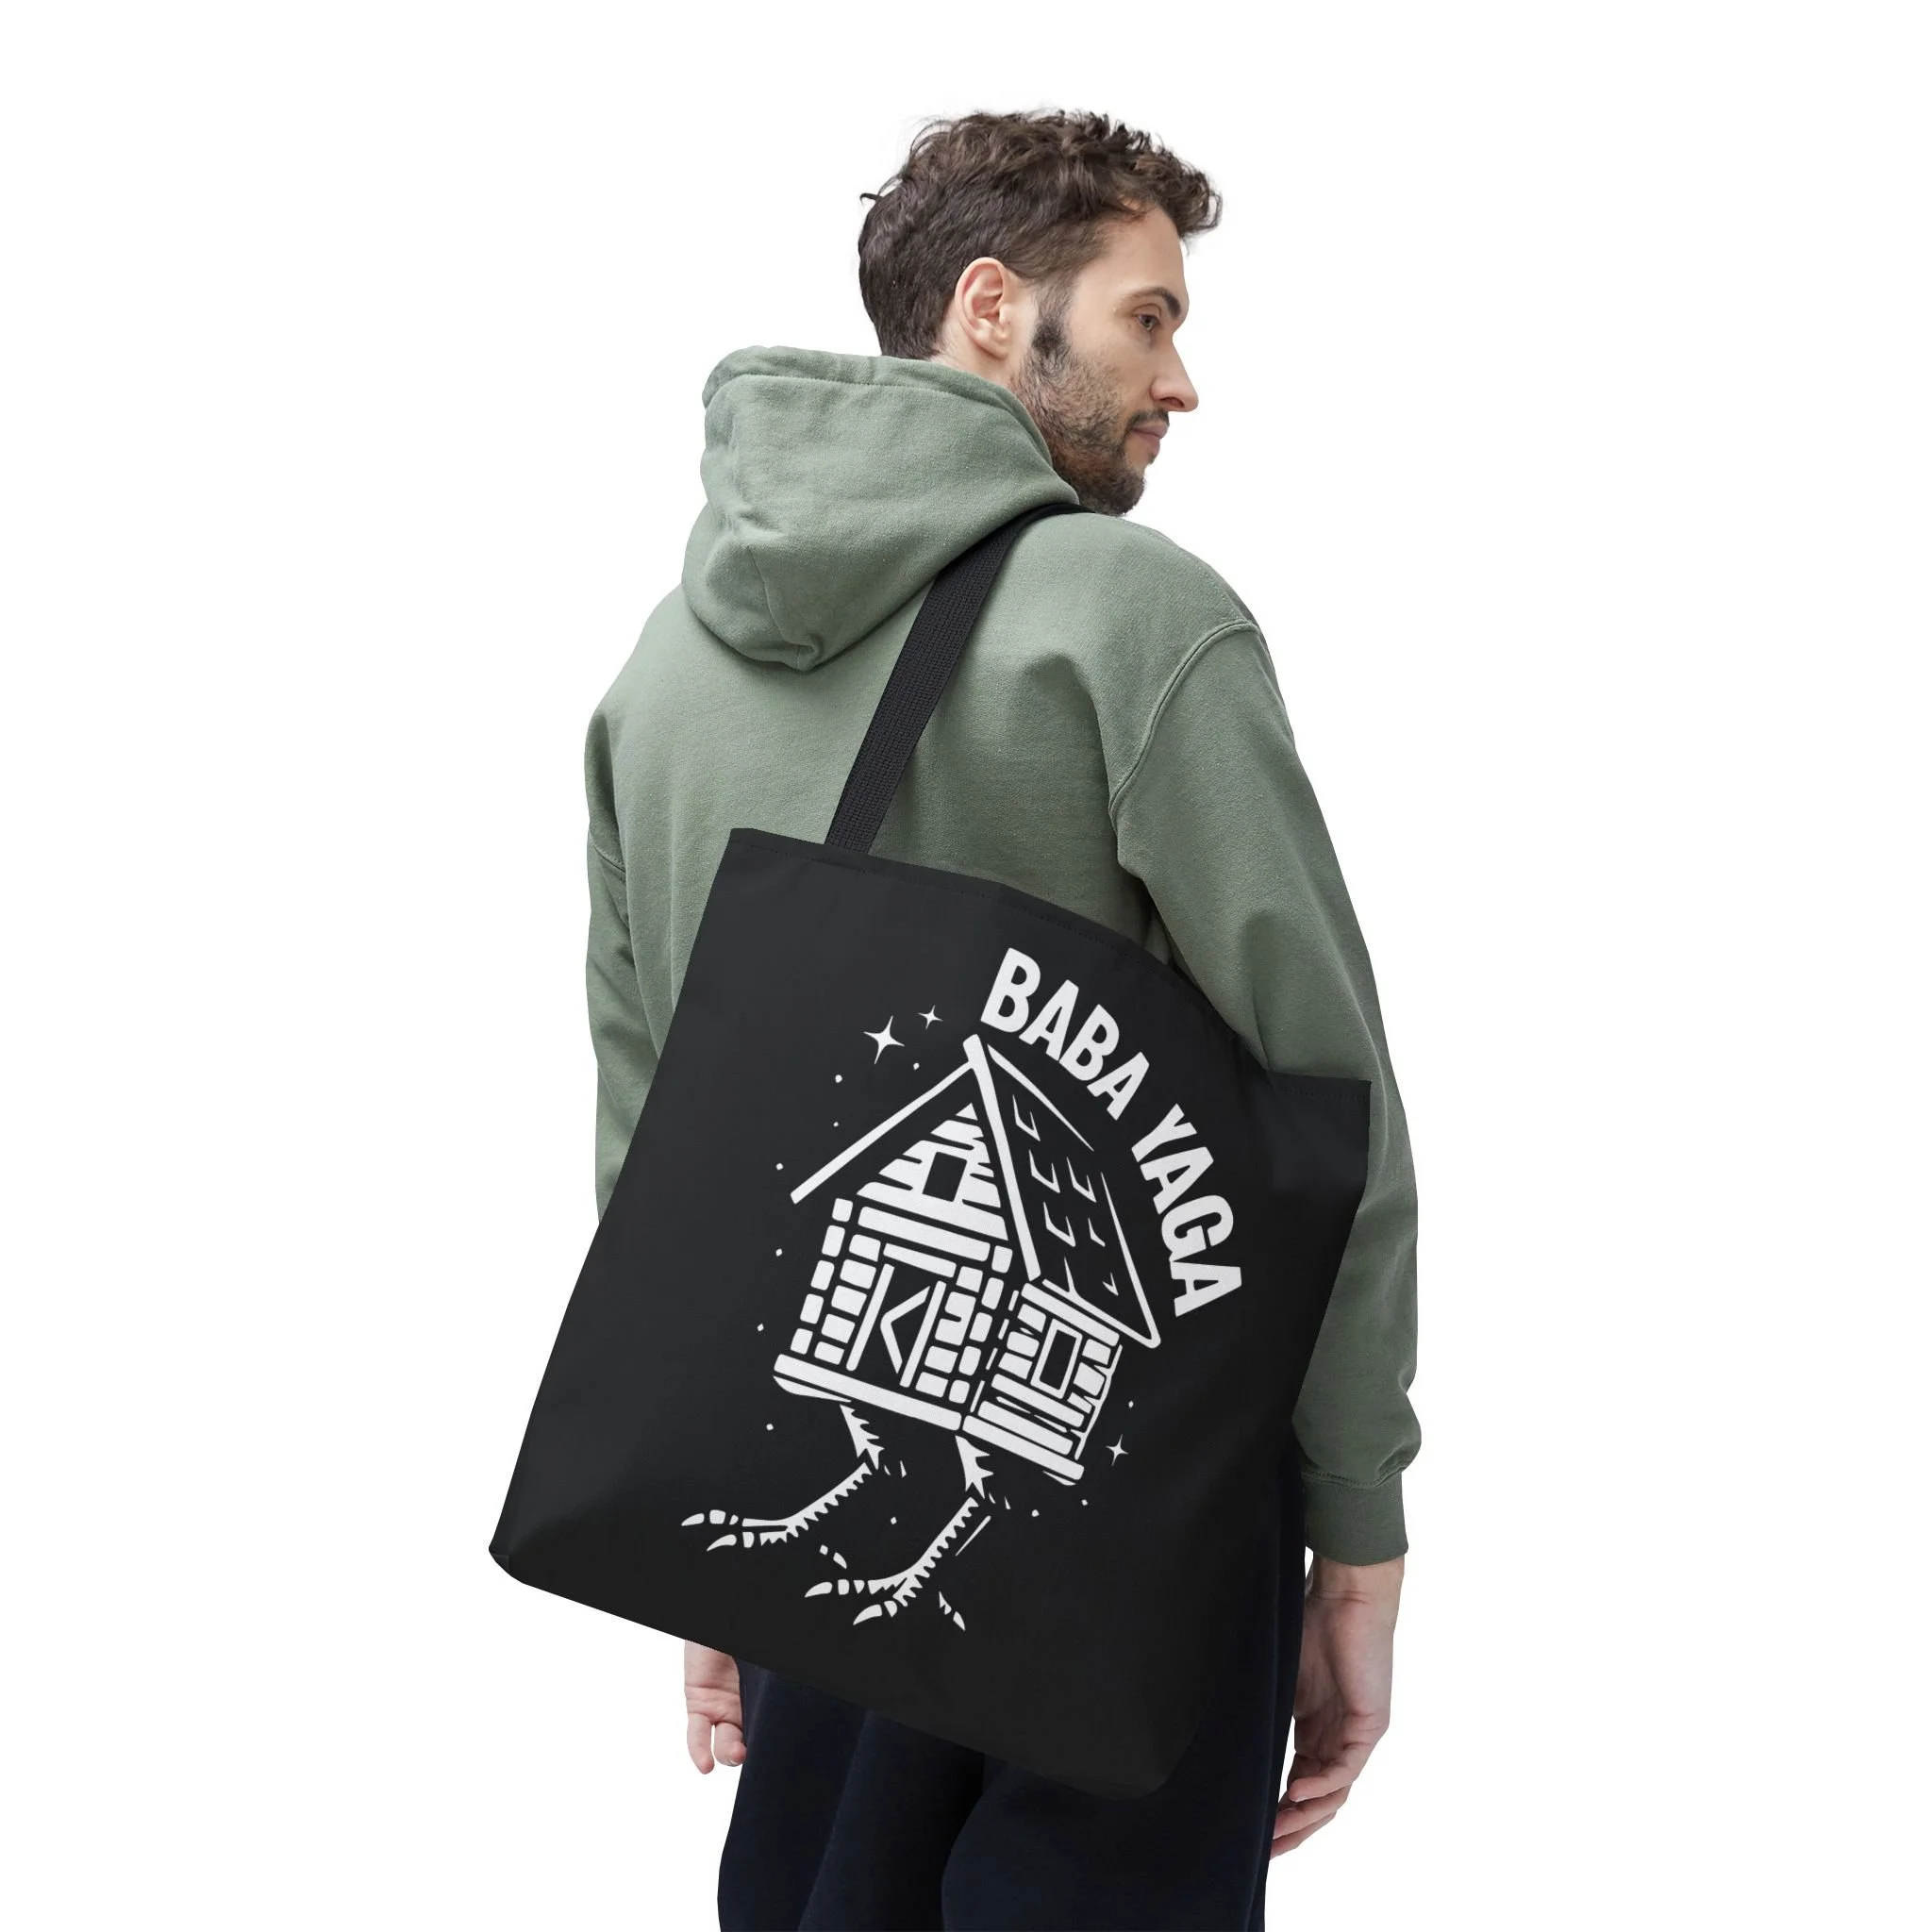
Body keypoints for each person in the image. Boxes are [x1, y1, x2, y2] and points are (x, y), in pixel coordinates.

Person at [583, 108, 1419, 1930]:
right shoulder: (1133, 619)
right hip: (1141, 1532)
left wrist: (708, 1530)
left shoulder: (661, 672)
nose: (1181, 381)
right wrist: (1357, 1531)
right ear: (990, 308)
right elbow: (1324, 1110)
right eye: (1147, 317)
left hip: (816, 1507)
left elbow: (661, 1153)